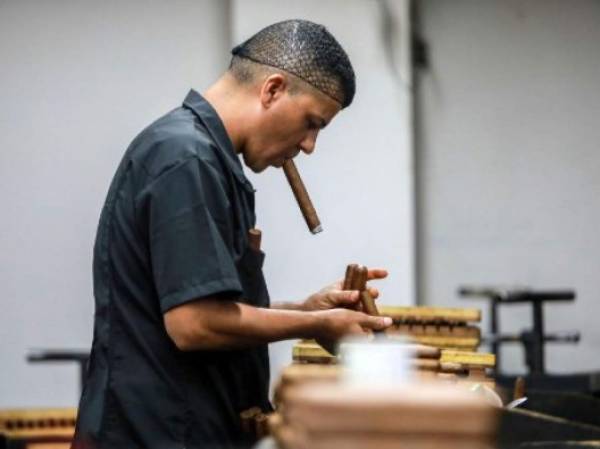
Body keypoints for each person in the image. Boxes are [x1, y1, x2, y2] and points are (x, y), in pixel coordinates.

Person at [72, 19, 392, 449]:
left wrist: (305, 310)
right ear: (273, 89)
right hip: (154, 435)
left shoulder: (207, 159)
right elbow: (193, 323)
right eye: (311, 123)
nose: (310, 145)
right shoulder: (186, 158)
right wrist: (318, 322)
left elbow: (203, 303)